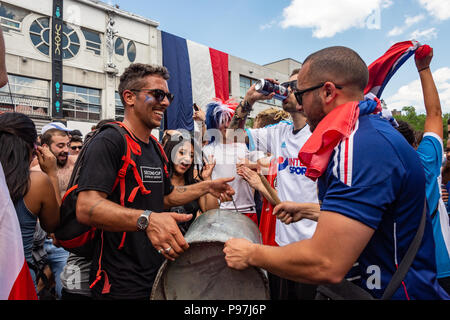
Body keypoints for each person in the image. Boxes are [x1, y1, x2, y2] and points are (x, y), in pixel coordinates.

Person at [224, 45, 450, 299]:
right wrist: (307, 210)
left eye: (300, 93)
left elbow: (326, 262)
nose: (297, 100)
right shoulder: (363, 132)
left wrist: (250, 253)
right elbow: (371, 210)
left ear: (328, 92)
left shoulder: (358, 143)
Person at [74, 63, 234, 300]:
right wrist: (147, 220)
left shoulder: (156, 149)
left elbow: (166, 197)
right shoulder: (109, 141)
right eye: (158, 94)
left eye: (168, 95)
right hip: (119, 281)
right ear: (129, 97)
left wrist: (207, 186)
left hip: (156, 272)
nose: (166, 102)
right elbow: (86, 208)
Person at [227, 69, 320, 300]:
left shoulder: (324, 133)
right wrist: (249, 100)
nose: (285, 90)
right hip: (282, 246)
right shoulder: (280, 132)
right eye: (285, 84)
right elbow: (232, 138)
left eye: (293, 86)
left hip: (314, 248)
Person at [393, 48, 450, 295]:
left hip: (400, 272)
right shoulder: (426, 160)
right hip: (440, 263)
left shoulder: (378, 174)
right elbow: (434, 114)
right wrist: (424, 69)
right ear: (412, 143)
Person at [0, 112, 60, 290]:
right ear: (32, 148)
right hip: (18, 281)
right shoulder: (37, 182)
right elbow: (54, 225)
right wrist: (52, 174)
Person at [202, 100, 265, 225]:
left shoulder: (246, 145)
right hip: (220, 211)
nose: (226, 125)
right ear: (214, 124)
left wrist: (251, 165)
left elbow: (269, 165)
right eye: (222, 122)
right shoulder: (206, 150)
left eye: (229, 121)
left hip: (247, 210)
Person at [163, 134, 218, 234]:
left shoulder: (195, 186)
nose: (187, 159)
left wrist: (207, 179)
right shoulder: (158, 183)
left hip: (187, 246)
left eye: (191, 156)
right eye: (182, 153)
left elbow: (212, 213)